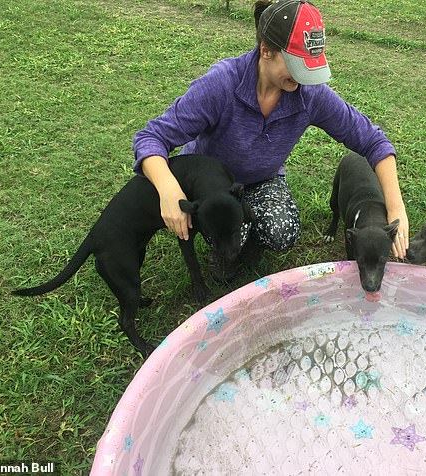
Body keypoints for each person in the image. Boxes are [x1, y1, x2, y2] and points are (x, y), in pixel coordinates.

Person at [132, 0, 409, 280]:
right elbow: (152, 137)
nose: (303, 79)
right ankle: (226, 245)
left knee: (282, 230)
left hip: (263, 179)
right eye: (297, 67)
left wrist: (396, 207)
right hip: (214, 185)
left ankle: (249, 247)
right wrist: (168, 189)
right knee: (225, 226)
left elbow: (373, 141)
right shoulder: (222, 85)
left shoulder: (309, 94)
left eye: (310, 68)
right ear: (266, 50)